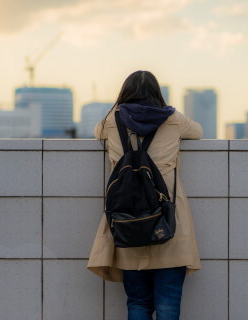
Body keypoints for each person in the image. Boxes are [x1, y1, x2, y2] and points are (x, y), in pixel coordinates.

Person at [87, 70, 203, 320]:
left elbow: (96, 132)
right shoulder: (173, 118)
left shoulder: (112, 120)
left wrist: (118, 109)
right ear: (157, 93)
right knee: (168, 303)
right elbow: (198, 132)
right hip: (168, 218)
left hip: (128, 218)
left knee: (138, 302)